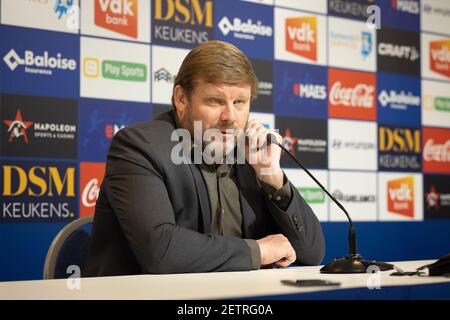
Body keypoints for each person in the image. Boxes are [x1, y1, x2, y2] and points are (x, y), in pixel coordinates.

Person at [83, 40, 325, 277]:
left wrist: (271, 175)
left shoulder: (250, 155)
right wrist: (258, 251)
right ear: (181, 99)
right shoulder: (140, 146)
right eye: (215, 101)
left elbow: (311, 253)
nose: (230, 117)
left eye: (239, 102)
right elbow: (161, 251)